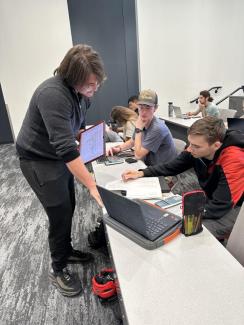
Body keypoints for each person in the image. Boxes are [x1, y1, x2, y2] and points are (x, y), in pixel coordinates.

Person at [16, 44, 106, 297]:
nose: (94, 89)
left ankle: (66, 250)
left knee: (70, 204)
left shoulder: (79, 94)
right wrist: (91, 184)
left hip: (57, 156)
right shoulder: (52, 94)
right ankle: (58, 268)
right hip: (38, 159)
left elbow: (71, 131)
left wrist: (90, 139)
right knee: (59, 213)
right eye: (90, 85)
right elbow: (66, 148)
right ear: (72, 78)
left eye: (97, 83)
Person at [122, 116, 244, 239]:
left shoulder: (234, 158)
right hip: (215, 197)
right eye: (190, 143)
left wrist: (184, 214)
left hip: (235, 208)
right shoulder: (196, 146)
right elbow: (173, 166)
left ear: (216, 145)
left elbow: (220, 205)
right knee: (176, 222)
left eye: (196, 146)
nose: (189, 149)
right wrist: (142, 173)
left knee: (188, 232)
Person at [107, 89, 177, 166]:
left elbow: (138, 155)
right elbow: (132, 142)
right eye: (141, 107)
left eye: (148, 108)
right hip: (151, 166)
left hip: (164, 173)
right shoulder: (142, 122)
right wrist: (119, 148)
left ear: (155, 108)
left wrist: (138, 129)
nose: (143, 112)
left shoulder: (157, 128)